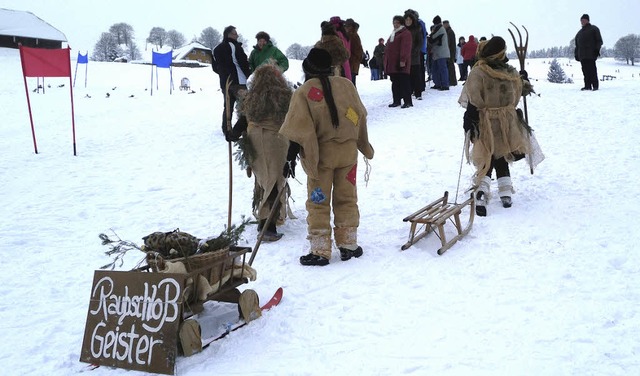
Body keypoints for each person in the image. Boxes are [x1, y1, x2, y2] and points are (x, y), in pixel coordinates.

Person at [279, 48, 374, 266]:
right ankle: (348, 243)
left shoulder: (304, 91)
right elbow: (359, 114)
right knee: (347, 197)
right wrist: (361, 142)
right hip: (348, 154)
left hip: (321, 157)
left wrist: (290, 156)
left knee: (318, 201)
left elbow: (298, 128)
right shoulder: (346, 85)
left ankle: (321, 250)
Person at [458, 36, 535, 217]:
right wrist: (522, 79)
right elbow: (521, 89)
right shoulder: (510, 72)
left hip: (485, 120)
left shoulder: (478, 72)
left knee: (488, 155)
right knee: (501, 153)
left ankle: (482, 193)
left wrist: (468, 118)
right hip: (507, 121)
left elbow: (473, 98)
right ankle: (505, 192)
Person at [238, 64, 295, 241]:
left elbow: (242, 119)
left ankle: (267, 221)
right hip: (275, 141)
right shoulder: (285, 95)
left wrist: (232, 132)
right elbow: (293, 118)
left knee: (264, 179)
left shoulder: (251, 97)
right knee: (275, 179)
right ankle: (267, 226)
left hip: (254, 139)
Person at [212, 25, 251, 139]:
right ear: (228, 34)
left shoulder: (216, 49)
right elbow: (243, 62)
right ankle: (243, 128)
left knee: (228, 106)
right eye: (235, 33)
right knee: (246, 106)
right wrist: (249, 75)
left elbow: (215, 67)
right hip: (239, 82)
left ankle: (226, 129)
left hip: (225, 84)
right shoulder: (235, 46)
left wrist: (224, 75)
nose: (237, 35)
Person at [384, 15, 413, 108]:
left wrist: (403, 60)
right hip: (393, 63)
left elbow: (406, 48)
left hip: (401, 62)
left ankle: (407, 101)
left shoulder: (405, 33)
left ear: (401, 23)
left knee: (404, 82)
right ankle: (396, 100)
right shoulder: (394, 33)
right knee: (395, 83)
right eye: (394, 22)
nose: (395, 24)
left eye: (397, 22)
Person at [574, 13, 603, 91]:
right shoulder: (579, 33)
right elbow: (577, 45)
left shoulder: (594, 29)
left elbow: (599, 41)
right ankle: (587, 86)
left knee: (592, 70)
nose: (582, 22)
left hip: (591, 54)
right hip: (582, 56)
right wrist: (576, 54)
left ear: (587, 20)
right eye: (581, 21)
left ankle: (595, 86)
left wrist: (597, 50)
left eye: (583, 20)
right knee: (585, 71)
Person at [404, 9, 425, 100]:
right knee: (407, 75)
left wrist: (415, 51)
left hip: (415, 55)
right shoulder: (403, 30)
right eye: (406, 20)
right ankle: (410, 90)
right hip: (405, 56)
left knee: (416, 74)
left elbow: (419, 42)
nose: (408, 21)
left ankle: (418, 93)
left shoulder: (417, 28)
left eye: (409, 19)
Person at [428, 16, 450, 91]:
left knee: (442, 69)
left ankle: (445, 85)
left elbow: (432, 37)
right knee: (436, 69)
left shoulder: (439, 28)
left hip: (441, 52)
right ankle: (438, 83)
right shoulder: (440, 28)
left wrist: (429, 37)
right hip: (438, 53)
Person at [345, 18, 364, 86]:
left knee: (351, 84)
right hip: (348, 63)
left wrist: (354, 59)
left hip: (352, 63)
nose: (347, 28)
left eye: (348, 26)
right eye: (346, 26)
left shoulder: (353, 35)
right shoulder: (348, 35)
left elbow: (358, 50)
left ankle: (353, 96)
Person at [443, 20, 457, 86]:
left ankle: (452, 81)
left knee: (450, 67)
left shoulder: (450, 32)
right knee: (450, 67)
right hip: (449, 51)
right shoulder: (448, 31)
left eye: (445, 24)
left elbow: (449, 43)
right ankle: (451, 81)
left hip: (450, 52)